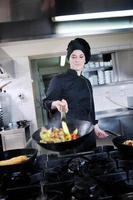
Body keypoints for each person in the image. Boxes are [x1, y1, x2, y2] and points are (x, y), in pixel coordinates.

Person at [43, 38, 108, 152]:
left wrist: (95, 127)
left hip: (88, 134)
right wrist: (55, 104)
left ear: (85, 59)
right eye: (73, 56)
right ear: (69, 59)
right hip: (69, 136)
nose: (77, 60)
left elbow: (90, 109)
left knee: (91, 164)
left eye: (81, 56)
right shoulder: (58, 80)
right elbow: (46, 103)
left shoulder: (86, 82)